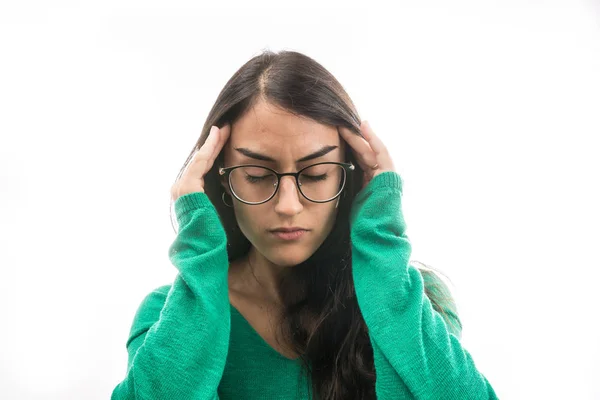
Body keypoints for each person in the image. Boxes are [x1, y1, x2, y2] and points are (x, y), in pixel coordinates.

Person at [111, 50, 498, 400]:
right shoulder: (172, 315)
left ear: (350, 179)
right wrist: (199, 245)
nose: (288, 206)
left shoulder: (410, 300)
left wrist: (380, 246)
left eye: (315, 174)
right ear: (221, 180)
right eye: (257, 174)